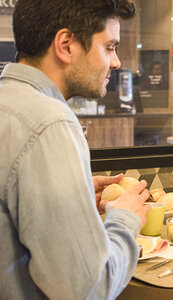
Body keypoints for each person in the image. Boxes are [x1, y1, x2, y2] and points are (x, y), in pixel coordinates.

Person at [0, 1, 152, 299]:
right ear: (66, 45)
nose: (117, 62)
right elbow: (87, 289)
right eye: (109, 47)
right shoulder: (50, 123)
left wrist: (78, 193)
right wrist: (125, 218)